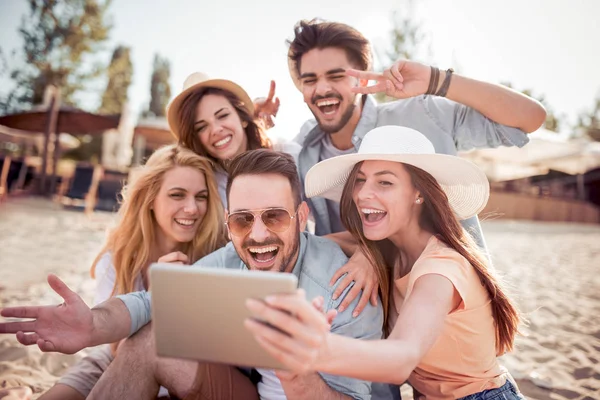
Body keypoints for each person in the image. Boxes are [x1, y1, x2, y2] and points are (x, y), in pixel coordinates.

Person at [0, 150, 384, 400]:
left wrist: (296, 374)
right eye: (242, 220)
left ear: (301, 218)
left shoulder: (344, 285)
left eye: (275, 216)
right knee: (152, 335)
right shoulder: (232, 260)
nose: (259, 234)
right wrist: (93, 325)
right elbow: (152, 303)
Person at [271, 18, 547, 316]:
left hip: (454, 310)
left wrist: (437, 81)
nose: (322, 88)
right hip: (363, 319)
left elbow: (529, 118)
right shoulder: (304, 151)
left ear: (362, 80)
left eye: (336, 75)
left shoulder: (422, 114)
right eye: (309, 80)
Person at [245, 126, 525, 400]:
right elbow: (310, 245)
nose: (364, 194)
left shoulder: (441, 269)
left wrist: (314, 347)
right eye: (360, 180)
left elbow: (401, 358)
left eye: (385, 182)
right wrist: (366, 252)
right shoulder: (389, 247)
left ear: (419, 193)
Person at [38, 145, 227, 400]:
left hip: (181, 367)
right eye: (177, 195)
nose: (192, 208)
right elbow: (116, 349)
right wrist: (153, 297)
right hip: (114, 356)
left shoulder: (214, 255)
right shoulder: (120, 256)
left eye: (201, 197)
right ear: (150, 199)